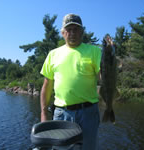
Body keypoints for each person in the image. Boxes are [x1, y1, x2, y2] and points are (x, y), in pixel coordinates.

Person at [40, 13, 102, 150]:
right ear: (63, 33)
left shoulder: (95, 51)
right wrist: (44, 113)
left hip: (88, 113)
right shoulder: (53, 54)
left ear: (82, 31)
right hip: (61, 114)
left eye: (76, 29)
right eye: (69, 30)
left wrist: (111, 62)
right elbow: (47, 85)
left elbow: (103, 77)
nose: (72, 33)